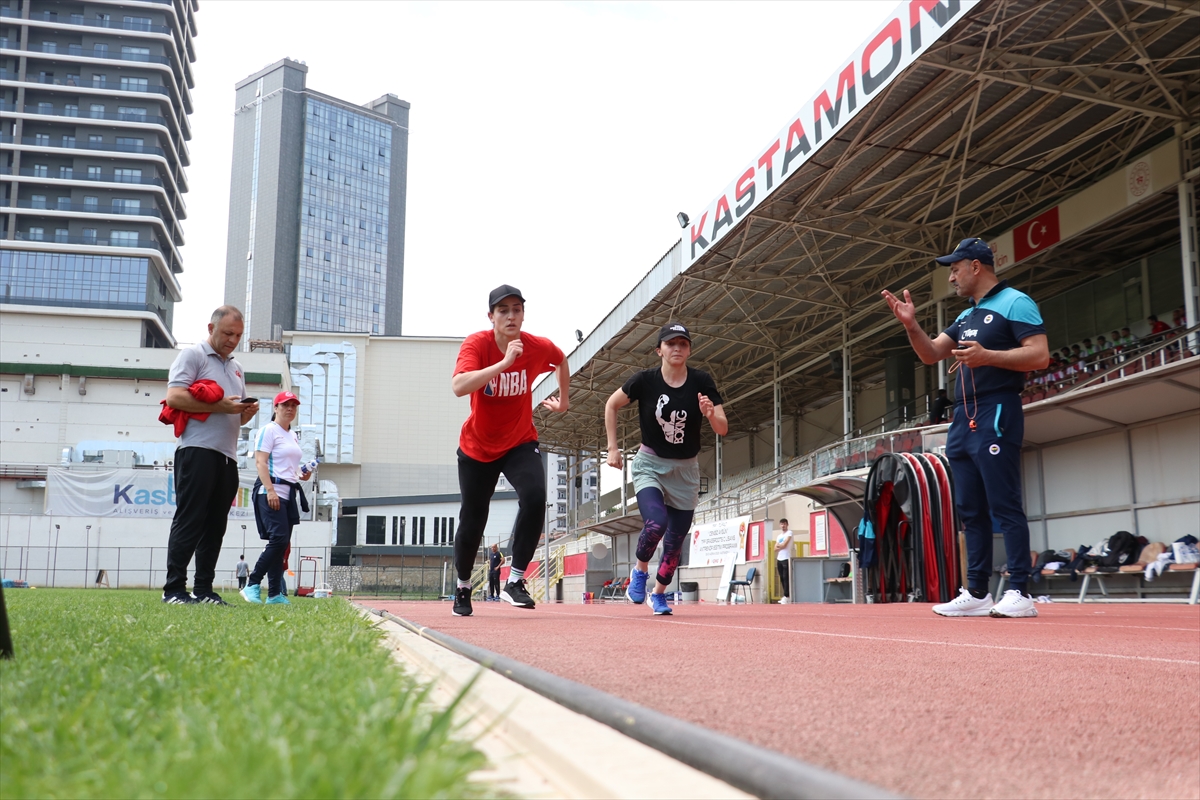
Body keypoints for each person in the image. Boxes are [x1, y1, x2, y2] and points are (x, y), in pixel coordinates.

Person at [882, 238, 1049, 619]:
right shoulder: (967, 316)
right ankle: (977, 591)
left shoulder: (1014, 302)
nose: (952, 276)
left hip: (997, 410)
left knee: (1004, 503)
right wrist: (911, 326)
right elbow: (930, 353)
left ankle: (1020, 591)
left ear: (976, 267)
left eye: (955, 268)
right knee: (970, 509)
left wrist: (988, 355)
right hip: (963, 416)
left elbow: (1040, 354)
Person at [449, 285, 570, 617]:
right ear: (491, 317)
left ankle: (515, 581)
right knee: (473, 519)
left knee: (534, 497)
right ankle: (462, 586)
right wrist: (504, 363)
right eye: (503, 311)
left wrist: (564, 399)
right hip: (477, 447)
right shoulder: (478, 344)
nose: (511, 316)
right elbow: (459, 386)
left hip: (519, 441)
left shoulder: (536, 346)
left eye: (517, 309)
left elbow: (561, 359)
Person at [604, 323, 728, 616]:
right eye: (670, 344)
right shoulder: (645, 381)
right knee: (656, 523)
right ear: (659, 350)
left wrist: (711, 414)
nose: (676, 348)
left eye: (682, 344)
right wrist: (612, 447)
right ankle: (639, 570)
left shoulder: (701, 381)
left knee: (675, 544)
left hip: (686, 471)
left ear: (689, 350)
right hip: (650, 464)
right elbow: (611, 405)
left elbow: (722, 429)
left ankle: (658, 595)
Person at [161, 306, 259, 605]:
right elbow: (175, 396)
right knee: (190, 520)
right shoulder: (193, 356)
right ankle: (174, 589)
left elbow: (234, 417)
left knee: (216, 525)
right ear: (211, 328)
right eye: (228, 333)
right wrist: (222, 408)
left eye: (238, 335)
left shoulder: (237, 367)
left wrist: (245, 413)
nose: (233, 340)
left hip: (227, 456)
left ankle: (203, 590)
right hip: (197, 450)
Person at [241, 391, 312, 605]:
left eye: (293, 405)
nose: (290, 409)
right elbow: (261, 463)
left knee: (281, 544)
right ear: (275, 407)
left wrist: (302, 473)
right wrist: (270, 490)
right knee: (279, 539)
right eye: (285, 405)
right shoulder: (268, 431)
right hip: (270, 492)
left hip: (288, 493)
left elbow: (288, 466)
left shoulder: (292, 434)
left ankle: (274, 594)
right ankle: (252, 583)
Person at [774, 519, 793, 604]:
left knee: (786, 578)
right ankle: (785, 595)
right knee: (781, 577)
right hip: (779, 558)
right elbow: (775, 549)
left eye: (784, 524)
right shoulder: (779, 536)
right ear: (779, 525)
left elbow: (785, 545)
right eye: (781, 524)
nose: (783, 526)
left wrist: (779, 545)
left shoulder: (789, 533)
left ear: (787, 524)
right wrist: (779, 546)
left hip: (786, 558)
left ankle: (787, 596)